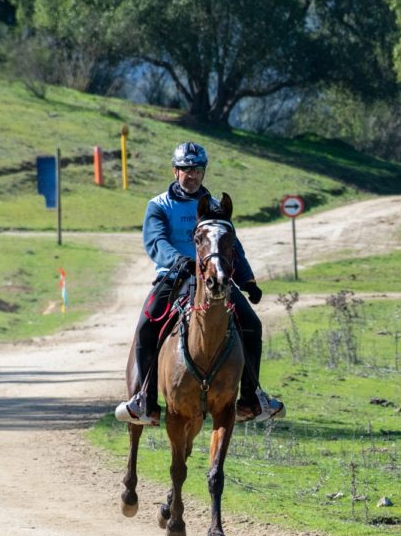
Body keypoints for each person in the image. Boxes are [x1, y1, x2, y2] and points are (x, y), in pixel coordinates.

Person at [114, 141, 284, 426]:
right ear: (174, 170)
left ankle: (251, 398)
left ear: (203, 172)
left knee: (252, 323)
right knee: (146, 327)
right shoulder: (158, 205)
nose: (191, 175)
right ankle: (144, 400)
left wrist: (247, 280)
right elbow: (155, 241)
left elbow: (233, 247)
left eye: (196, 170)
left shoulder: (215, 207)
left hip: (215, 277)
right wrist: (178, 260)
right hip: (173, 277)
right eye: (185, 169)